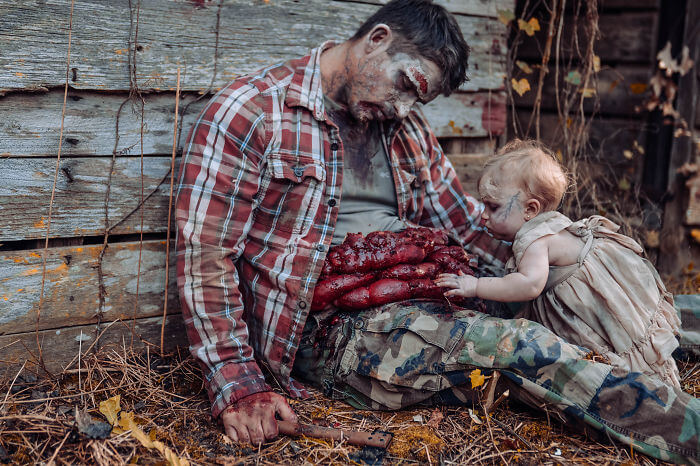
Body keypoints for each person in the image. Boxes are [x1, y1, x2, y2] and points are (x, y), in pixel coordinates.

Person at [175, 0, 699, 462]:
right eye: (407, 85)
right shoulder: (252, 113)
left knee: (649, 304)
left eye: (416, 101)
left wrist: (559, 250)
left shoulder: (404, 130)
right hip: (333, 331)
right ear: (377, 40)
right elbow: (206, 259)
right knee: (518, 344)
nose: (404, 109)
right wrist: (238, 384)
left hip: (430, 287)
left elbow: (466, 223)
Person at [436, 139, 682, 388]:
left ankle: (648, 390)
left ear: (530, 209)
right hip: (599, 293)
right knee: (621, 338)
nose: (483, 214)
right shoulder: (549, 224)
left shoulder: (534, 241)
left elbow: (529, 285)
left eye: (493, 206)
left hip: (588, 302)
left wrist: (475, 286)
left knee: (612, 348)